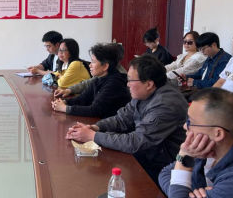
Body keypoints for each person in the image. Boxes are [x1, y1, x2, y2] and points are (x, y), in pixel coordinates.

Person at [65, 55, 188, 184]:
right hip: (147, 156)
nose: (127, 84)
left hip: (163, 168)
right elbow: (122, 118)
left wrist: (93, 136)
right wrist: (95, 127)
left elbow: (136, 142)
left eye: (130, 80)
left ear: (149, 84)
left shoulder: (165, 104)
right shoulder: (144, 93)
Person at [52, 44, 131, 119]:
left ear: (105, 66)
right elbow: (83, 98)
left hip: (110, 126)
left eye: (93, 61)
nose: (90, 65)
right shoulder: (99, 78)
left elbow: (95, 110)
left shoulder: (114, 83)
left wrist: (65, 108)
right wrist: (64, 102)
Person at [54, 43, 127, 98]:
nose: (90, 65)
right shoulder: (104, 72)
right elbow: (88, 83)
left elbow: (97, 108)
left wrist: (66, 108)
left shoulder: (119, 77)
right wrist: (69, 90)